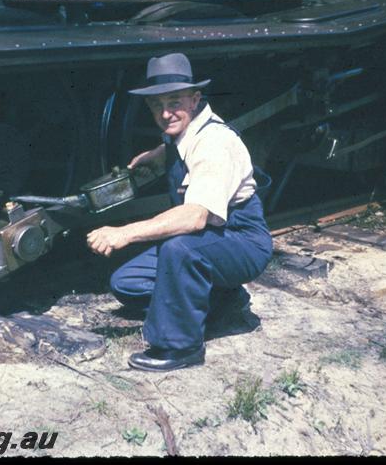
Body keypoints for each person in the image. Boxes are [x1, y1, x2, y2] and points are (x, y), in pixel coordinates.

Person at [86, 52, 273, 372]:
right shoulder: (184, 133)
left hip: (242, 240)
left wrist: (124, 233)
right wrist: (158, 155)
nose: (165, 113)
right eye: (157, 105)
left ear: (194, 98)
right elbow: (179, 148)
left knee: (179, 248)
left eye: (174, 102)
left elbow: (194, 217)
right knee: (126, 282)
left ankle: (180, 347)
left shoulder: (214, 143)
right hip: (212, 237)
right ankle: (224, 300)